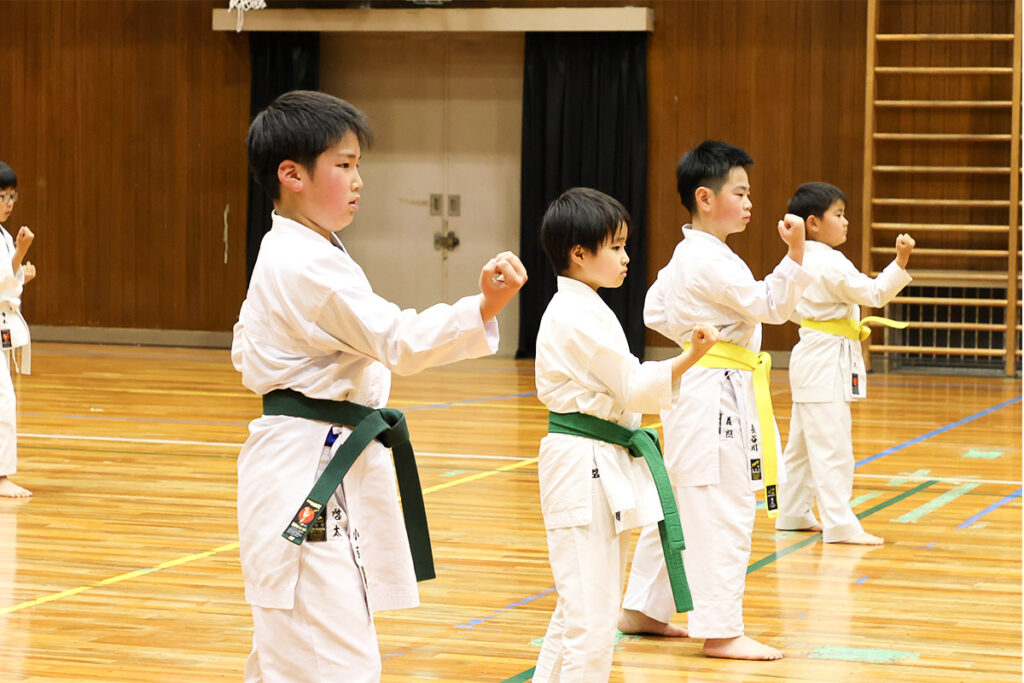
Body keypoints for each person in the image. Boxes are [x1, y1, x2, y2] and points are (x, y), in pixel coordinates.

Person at [232, 90, 526, 683]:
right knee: (331, 658)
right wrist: (485, 306)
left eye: (358, 164)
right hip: (303, 471)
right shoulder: (302, 263)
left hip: (315, 456)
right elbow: (398, 340)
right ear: (291, 174)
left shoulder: (303, 251)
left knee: (300, 654)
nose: (358, 179)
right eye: (342, 165)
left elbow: (247, 346)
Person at [618, 140, 813, 660]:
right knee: (721, 507)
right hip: (714, 394)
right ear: (705, 198)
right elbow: (771, 306)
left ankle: (643, 607)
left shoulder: (692, 255)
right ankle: (723, 630)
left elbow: (653, 310)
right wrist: (795, 254)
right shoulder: (710, 260)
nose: (751, 202)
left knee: (684, 501)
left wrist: (697, 335)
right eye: (741, 192)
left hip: (700, 386)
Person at [532, 187, 718, 682]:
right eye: (614, 247)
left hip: (596, 460)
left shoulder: (586, 307)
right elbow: (635, 388)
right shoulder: (575, 316)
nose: (625, 256)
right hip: (580, 464)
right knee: (590, 624)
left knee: (579, 611)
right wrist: (690, 356)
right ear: (579, 254)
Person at [775, 182, 914, 545]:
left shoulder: (797, 257)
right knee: (833, 446)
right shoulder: (826, 260)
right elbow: (874, 293)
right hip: (824, 360)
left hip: (811, 354)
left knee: (803, 445)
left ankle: (792, 512)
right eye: (838, 214)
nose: (846, 221)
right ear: (814, 223)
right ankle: (839, 523)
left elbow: (784, 306)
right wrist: (899, 261)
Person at [0, 161, 35, 499]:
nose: (9, 203)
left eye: (12, 196)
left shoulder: (4, 235)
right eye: (2, 196)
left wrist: (23, 270)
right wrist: (21, 254)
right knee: (4, 399)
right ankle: (1, 478)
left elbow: (8, 279)